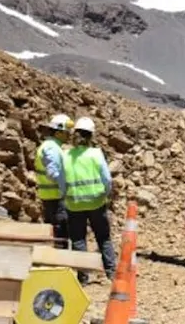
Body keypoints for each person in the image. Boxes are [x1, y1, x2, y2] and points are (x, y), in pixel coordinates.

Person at [63, 116, 117, 284]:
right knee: (103, 237)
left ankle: (83, 277)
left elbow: (61, 180)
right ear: (91, 136)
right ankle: (111, 272)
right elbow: (107, 179)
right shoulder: (96, 154)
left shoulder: (66, 155)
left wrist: (66, 196)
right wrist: (105, 194)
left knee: (78, 239)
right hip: (96, 202)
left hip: (74, 204)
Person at [35, 114, 72, 249]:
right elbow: (53, 173)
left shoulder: (50, 146)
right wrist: (65, 189)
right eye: (66, 132)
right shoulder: (51, 148)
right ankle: (61, 264)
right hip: (55, 197)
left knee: (57, 232)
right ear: (58, 132)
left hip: (50, 197)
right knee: (60, 234)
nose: (69, 135)